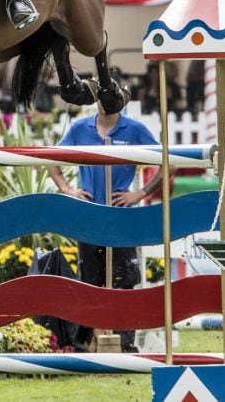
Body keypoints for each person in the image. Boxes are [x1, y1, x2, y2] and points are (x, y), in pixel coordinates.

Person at [46, 96, 161, 353]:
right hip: (89, 216)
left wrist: (140, 193)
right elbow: (51, 159)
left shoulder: (135, 130)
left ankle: (125, 344)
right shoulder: (79, 128)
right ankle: (89, 344)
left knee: (124, 281)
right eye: (100, 94)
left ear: (122, 99)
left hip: (120, 216)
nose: (103, 100)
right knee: (90, 282)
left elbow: (168, 161)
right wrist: (67, 189)